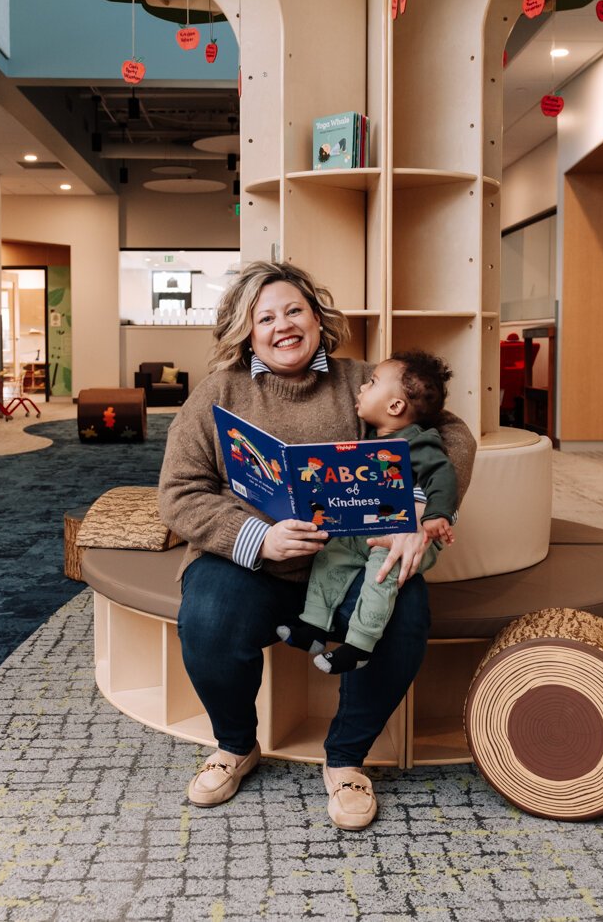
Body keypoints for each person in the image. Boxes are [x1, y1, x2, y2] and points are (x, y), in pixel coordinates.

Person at [158, 261, 475, 831]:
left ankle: (347, 758)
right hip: (252, 564)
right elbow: (178, 492)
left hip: (352, 562)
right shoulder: (219, 393)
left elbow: (450, 434)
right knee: (206, 616)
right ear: (245, 330)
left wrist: (422, 511)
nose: (283, 326)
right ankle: (235, 744)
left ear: (316, 316)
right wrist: (257, 536)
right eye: (266, 317)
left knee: (405, 613)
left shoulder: (365, 381)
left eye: (294, 310)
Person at [276, 351, 456, 675]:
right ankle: (314, 627)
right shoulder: (370, 439)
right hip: (367, 527)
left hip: (407, 536)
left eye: (371, 383)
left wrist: (433, 516)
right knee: (329, 555)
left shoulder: (419, 441)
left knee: (380, 574)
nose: (361, 388)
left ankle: (359, 645)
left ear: (395, 407)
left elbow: (442, 475)